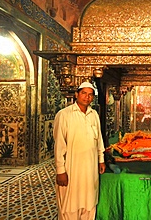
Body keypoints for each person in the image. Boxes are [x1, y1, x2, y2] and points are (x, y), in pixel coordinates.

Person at [53, 81, 106, 220]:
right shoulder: (64, 115)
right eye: (84, 93)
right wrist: (60, 171)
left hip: (90, 170)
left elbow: (98, 139)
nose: (87, 97)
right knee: (69, 206)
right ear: (76, 94)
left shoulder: (94, 114)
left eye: (90, 95)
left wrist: (101, 160)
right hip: (71, 169)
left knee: (89, 204)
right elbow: (59, 144)